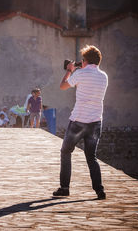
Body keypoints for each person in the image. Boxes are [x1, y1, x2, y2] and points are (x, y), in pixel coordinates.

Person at [53, 45, 108, 200]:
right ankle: (99, 190)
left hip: (78, 121)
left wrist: (70, 70)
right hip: (96, 121)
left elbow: (63, 86)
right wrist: (80, 66)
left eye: (82, 60)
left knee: (66, 152)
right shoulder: (104, 76)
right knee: (92, 157)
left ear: (85, 61)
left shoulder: (80, 74)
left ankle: (64, 188)